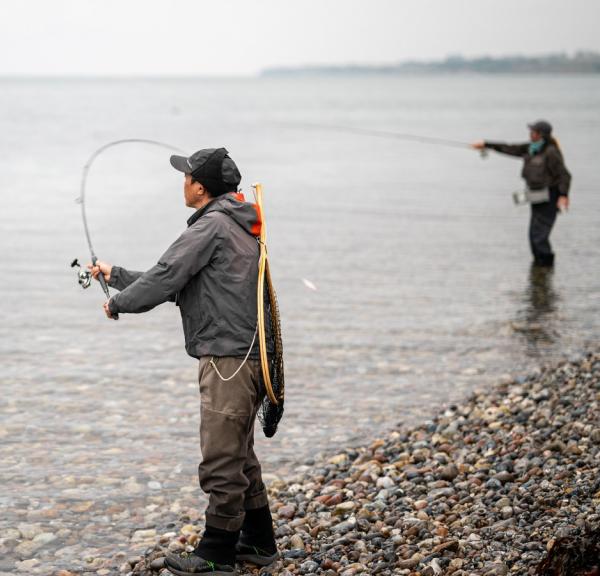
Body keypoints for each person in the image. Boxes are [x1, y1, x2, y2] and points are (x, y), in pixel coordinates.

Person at [89, 148, 278, 575]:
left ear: (201, 187)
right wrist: (116, 275)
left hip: (228, 361)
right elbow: (180, 280)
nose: (183, 182)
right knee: (239, 454)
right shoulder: (236, 223)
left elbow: (166, 276)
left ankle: (216, 553)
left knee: (221, 459)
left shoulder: (210, 226)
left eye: (187, 176)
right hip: (248, 357)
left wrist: (118, 304)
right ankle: (259, 542)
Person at [472, 120, 571, 267]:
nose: (531, 133)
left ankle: (546, 266)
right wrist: (486, 144)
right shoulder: (531, 148)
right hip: (536, 196)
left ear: (541, 135)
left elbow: (564, 176)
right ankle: (539, 271)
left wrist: (563, 196)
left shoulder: (551, 152)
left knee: (539, 236)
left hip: (550, 198)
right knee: (533, 235)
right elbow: (509, 148)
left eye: (533, 131)